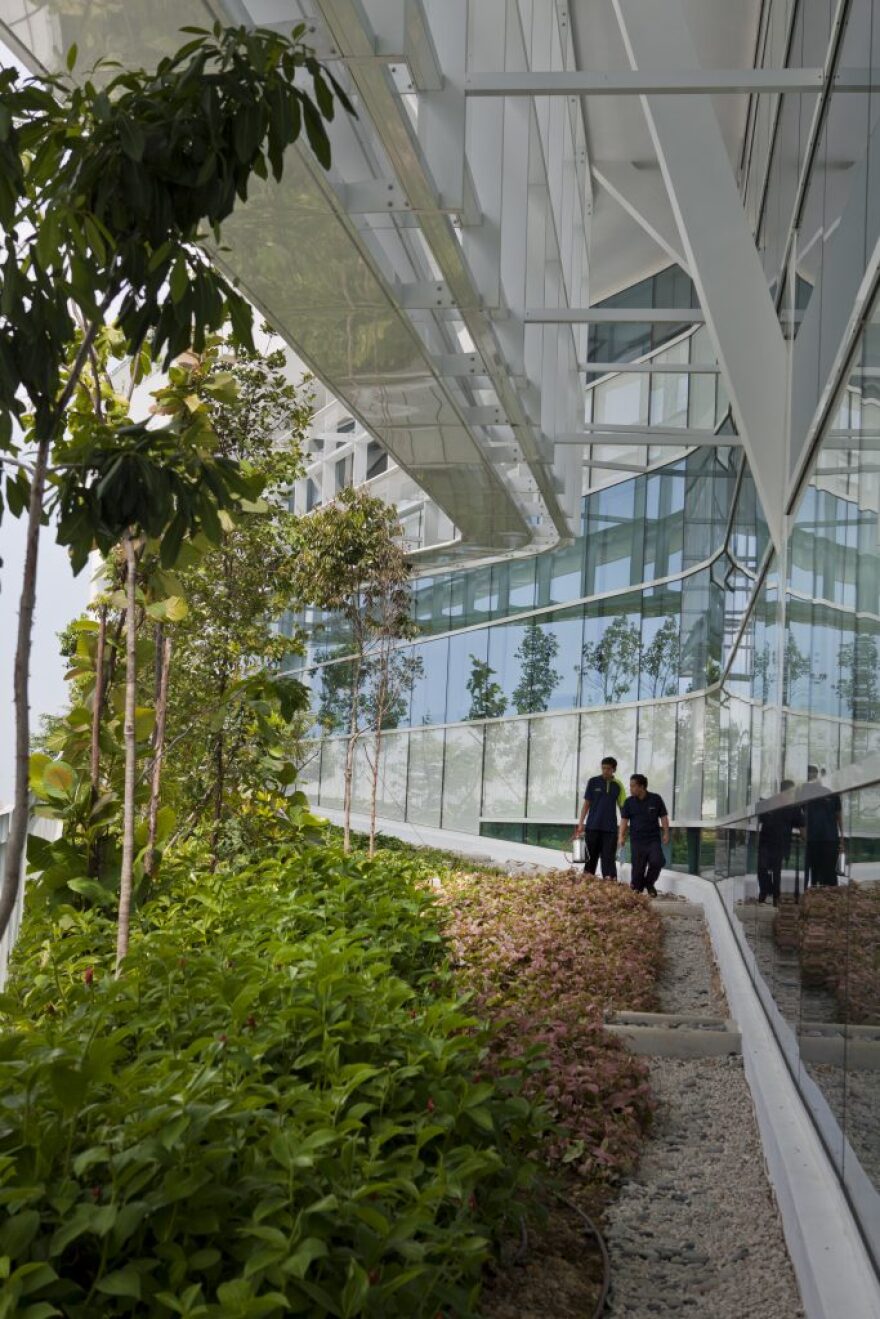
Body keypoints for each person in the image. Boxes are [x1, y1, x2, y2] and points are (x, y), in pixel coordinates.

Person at [574, 755, 626, 880]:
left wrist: (622, 832)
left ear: (614, 770)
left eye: (608, 769)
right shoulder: (593, 782)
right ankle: (587, 883)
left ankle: (610, 884)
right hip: (592, 826)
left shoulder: (618, 785)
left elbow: (623, 809)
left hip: (610, 829)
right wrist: (581, 823)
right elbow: (586, 805)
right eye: (603, 768)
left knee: (608, 858)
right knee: (590, 858)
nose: (605, 771)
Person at [619, 774, 670, 897]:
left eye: (633, 786)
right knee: (637, 872)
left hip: (653, 839)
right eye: (630, 786)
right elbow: (624, 821)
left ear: (642, 787)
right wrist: (621, 836)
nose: (630, 789)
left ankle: (649, 883)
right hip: (637, 841)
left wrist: (666, 832)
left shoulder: (656, 799)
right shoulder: (629, 802)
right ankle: (637, 891)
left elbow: (663, 817)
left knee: (657, 861)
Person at [756, 779, 803, 905]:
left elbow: (801, 824)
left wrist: (805, 839)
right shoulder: (770, 803)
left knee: (776, 871)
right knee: (762, 868)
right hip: (766, 841)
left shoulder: (794, 807)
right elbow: (760, 818)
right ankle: (765, 892)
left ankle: (775, 897)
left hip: (780, 843)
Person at [803, 766, 844, 887]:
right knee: (814, 872)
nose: (813, 777)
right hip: (812, 839)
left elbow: (839, 816)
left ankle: (831, 899)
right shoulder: (805, 794)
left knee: (829, 873)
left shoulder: (832, 793)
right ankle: (815, 898)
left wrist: (842, 837)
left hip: (830, 839)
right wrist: (804, 835)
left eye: (815, 775)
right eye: (810, 775)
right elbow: (800, 816)